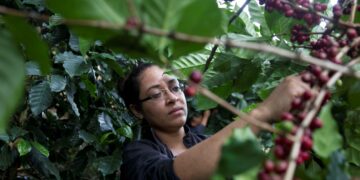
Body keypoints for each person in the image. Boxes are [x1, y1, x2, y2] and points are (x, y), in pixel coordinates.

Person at [119, 62, 313, 180]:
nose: (172, 98)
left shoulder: (206, 142)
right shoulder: (137, 155)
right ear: (137, 110)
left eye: (175, 87)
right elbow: (167, 175)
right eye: (155, 95)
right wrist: (264, 112)